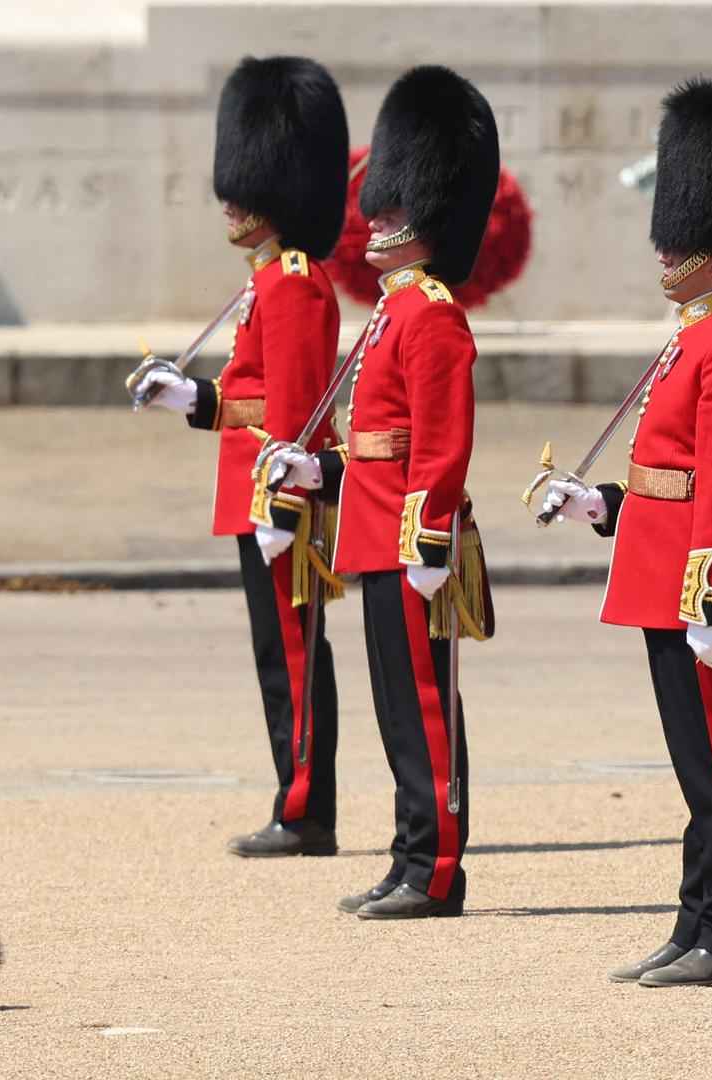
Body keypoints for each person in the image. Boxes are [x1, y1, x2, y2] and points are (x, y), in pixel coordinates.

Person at [538, 77, 712, 987]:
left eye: (685, 235)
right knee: (695, 771)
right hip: (658, 572)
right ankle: (697, 922)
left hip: (697, 586)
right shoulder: (690, 338)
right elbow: (666, 473)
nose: (667, 248)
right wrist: (599, 502)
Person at [262, 65, 499, 918]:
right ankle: (410, 859)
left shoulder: (432, 313)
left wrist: (430, 536)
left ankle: (435, 869)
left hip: (411, 542)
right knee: (397, 710)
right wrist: (313, 471)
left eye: (393, 209)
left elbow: (441, 443)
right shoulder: (395, 311)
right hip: (374, 530)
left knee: (425, 708)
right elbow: (376, 443)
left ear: (423, 218)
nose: (376, 219)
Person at [131, 56, 348, 857]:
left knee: (291, 653)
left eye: (245, 185)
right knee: (277, 652)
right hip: (251, 486)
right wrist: (188, 398)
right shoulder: (268, 282)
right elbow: (252, 398)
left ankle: (304, 810)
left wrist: (282, 508)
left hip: (274, 498)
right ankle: (297, 801)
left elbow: (294, 411)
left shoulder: (293, 282)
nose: (231, 200)